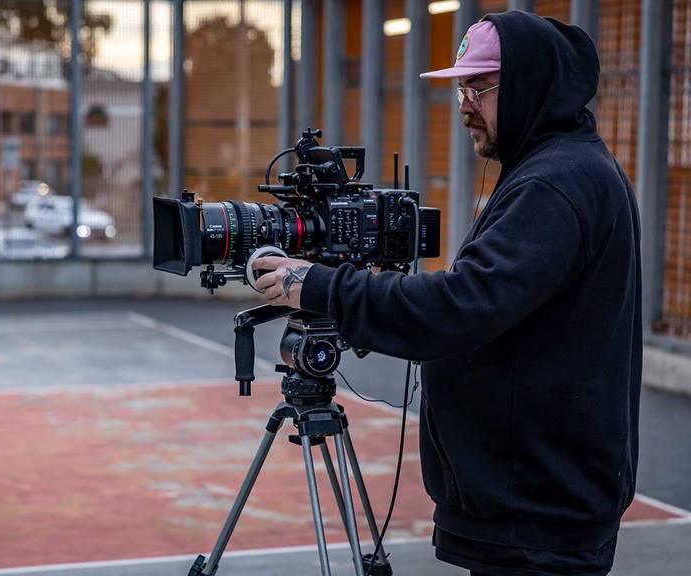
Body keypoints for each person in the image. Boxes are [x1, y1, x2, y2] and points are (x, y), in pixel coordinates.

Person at [253, 10, 641, 576]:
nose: (463, 103)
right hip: (529, 503)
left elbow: (458, 309)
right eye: (461, 86)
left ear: (531, 85)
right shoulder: (557, 170)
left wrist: (311, 284)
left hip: (535, 513)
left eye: (478, 87)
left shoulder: (556, 183)